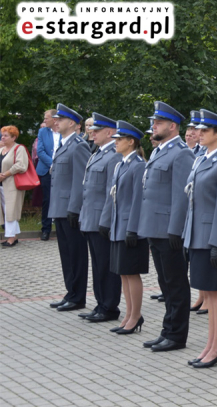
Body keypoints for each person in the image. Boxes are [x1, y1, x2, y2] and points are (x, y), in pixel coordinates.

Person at [139, 101, 195, 352]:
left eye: (158, 123)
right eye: (154, 122)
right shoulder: (159, 151)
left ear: (172, 126)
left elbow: (181, 195)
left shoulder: (181, 153)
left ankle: (177, 335)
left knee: (176, 283)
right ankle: (167, 329)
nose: (154, 126)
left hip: (169, 230)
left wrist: (176, 229)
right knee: (165, 283)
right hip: (155, 227)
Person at [184, 110, 217, 368]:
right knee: (209, 293)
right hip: (197, 236)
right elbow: (193, 203)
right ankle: (210, 344)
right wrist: (187, 236)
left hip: (211, 239)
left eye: (206, 131)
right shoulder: (202, 159)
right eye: (199, 130)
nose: (199, 134)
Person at [101, 121, 149, 335]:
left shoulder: (138, 165)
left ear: (131, 142)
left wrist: (133, 228)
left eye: (119, 140)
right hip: (119, 225)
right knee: (123, 273)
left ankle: (136, 315)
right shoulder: (121, 164)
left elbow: (139, 199)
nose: (116, 143)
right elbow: (114, 197)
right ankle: (129, 314)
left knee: (132, 272)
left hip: (131, 227)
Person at [79, 113, 123, 323]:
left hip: (101, 222)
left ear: (110, 132)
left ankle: (109, 307)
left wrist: (105, 221)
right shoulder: (97, 153)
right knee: (97, 266)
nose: (92, 133)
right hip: (91, 219)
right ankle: (100, 304)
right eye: (92, 130)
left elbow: (110, 193)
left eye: (96, 131)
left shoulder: (113, 155)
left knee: (106, 266)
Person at [47, 104, 91, 312]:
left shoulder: (78, 145)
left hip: (70, 210)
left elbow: (80, 180)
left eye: (60, 119)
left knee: (76, 254)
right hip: (60, 208)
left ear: (72, 123)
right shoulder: (64, 144)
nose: (55, 122)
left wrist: (75, 208)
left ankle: (78, 296)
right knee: (66, 254)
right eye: (55, 119)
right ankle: (70, 292)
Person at [0, 126, 29, 247]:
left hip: (12, 184)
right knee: (5, 210)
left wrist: (5, 174)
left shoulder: (19, 148)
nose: (3, 137)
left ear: (14, 137)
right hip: (1, 184)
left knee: (10, 211)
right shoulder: (1, 149)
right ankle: (14, 235)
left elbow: (21, 165)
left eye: (6, 135)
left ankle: (11, 238)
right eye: (2, 135)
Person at [36, 109, 58, 241]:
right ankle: (46, 229)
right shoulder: (43, 131)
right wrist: (53, 164)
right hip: (46, 170)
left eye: (46, 118)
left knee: (61, 198)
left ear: (55, 119)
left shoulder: (63, 132)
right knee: (47, 200)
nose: (44, 121)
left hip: (63, 172)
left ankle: (61, 229)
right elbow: (40, 150)